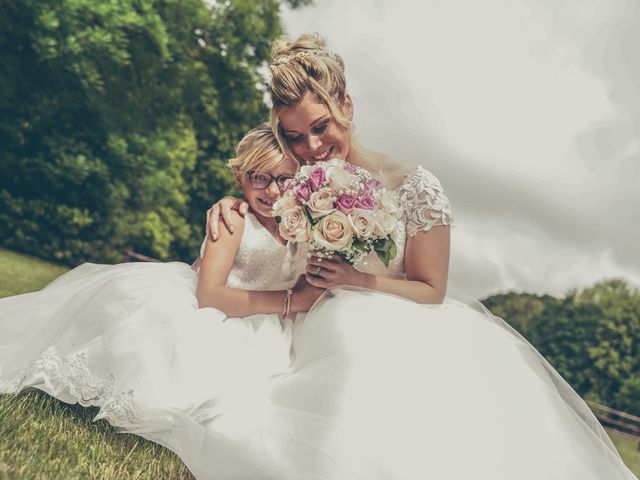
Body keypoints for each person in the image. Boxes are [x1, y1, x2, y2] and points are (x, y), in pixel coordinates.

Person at [203, 34, 638, 479]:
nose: (311, 147)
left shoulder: (414, 186)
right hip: (305, 320)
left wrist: (355, 280)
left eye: (320, 127)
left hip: (394, 321)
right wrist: (231, 204)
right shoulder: (299, 180)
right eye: (295, 137)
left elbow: (432, 290)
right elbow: (262, 197)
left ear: (346, 107)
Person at [0, 124, 322, 475]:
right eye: (260, 177)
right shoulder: (234, 221)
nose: (273, 191)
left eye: (285, 179)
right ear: (239, 175)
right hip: (212, 314)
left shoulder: (300, 229)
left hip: (263, 327)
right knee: (158, 351)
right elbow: (210, 297)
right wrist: (292, 301)